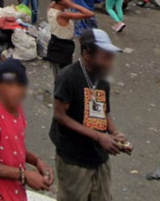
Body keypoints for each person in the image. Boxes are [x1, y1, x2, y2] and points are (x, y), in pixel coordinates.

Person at [50, 29, 129, 201]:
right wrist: (99, 137)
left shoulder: (102, 79)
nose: (109, 62)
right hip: (74, 158)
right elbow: (60, 116)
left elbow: (104, 110)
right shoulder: (68, 77)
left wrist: (114, 134)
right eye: (105, 56)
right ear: (86, 53)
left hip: (99, 157)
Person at [0, 59, 54, 200]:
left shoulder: (16, 108)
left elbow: (13, 147)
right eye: (9, 85)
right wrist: (24, 175)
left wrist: (37, 161)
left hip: (15, 191)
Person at [46, 0, 95, 81]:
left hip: (53, 47)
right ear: (61, 2)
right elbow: (90, 14)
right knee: (63, 79)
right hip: (62, 50)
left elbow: (54, 3)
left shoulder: (50, 9)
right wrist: (70, 4)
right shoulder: (63, 15)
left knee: (57, 78)